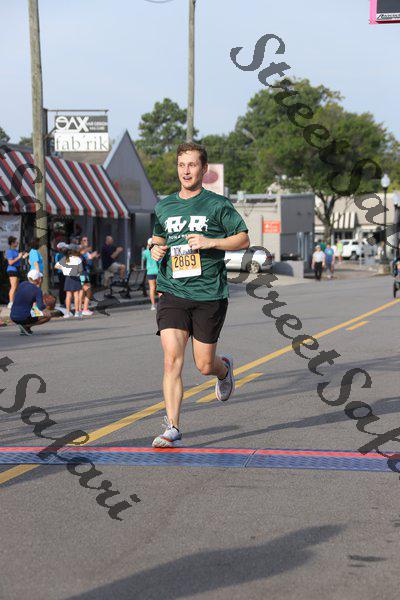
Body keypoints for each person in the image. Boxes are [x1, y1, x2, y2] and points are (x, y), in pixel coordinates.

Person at [150, 141, 249, 448]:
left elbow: (243, 238)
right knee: (171, 360)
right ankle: (173, 427)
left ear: (204, 169)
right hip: (172, 290)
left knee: (204, 365)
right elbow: (157, 239)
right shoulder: (164, 207)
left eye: (192, 165)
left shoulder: (217, 205)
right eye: (181, 165)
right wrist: (154, 249)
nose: (186, 171)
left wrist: (210, 242)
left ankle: (224, 369)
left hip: (209, 293)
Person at [10, 270, 51, 335]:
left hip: (13, 316)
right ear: (38, 279)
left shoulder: (22, 284)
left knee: (30, 311)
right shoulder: (37, 290)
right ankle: (26, 326)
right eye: (40, 278)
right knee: (48, 316)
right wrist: (46, 309)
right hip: (24, 317)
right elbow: (40, 306)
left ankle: (24, 327)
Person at [55, 245, 83, 318]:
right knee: (76, 295)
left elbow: (56, 265)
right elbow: (80, 270)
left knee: (68, 295)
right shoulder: (78, 259)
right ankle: (77, 312)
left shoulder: (66, 258)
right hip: (76, 277)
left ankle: (67, 312)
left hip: (68, 277)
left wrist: (64, 269)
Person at [6, 236, 28, 308]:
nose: (17, 243)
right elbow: (10, 262)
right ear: (12, 243)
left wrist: (23, 257)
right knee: (13, 286)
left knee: (17, 287)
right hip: (12, 270)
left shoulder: (16, 251)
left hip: (17, 270)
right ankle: (10, 302)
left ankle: (15, 302)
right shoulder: (10, 251)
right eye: (16, 242)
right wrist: (18, 257)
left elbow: (18, 260)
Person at [79, 235, 99, 316]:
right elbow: (82, 260)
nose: (86, 242)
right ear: (81, 242)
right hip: (82, 273)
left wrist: (93, 257)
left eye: (87, 240)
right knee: (87, 290)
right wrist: (90, 257)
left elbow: (89, 262)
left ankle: (80, 309)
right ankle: (84, 309)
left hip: (85, 272)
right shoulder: (81, 251)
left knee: (83, 291)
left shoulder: (87, 252)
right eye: (84, 240)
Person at [142, 237, 159, 311]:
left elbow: (143, 259)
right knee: (159, 288)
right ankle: (161, 304)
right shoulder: (157, 250)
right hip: (157, 271)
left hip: (150, 271)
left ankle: (153, 305)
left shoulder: (145, 252)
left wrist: (147, 249)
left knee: (152, 288)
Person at [54, 242, 68, 307]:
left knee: (66, 287)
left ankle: (66, 301)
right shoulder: (58, 255)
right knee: (62, 287)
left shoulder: (66, 254)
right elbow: (57, 265)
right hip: (61, 273)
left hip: (67, 273)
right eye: (64, 247)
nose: (66, 248)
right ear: (61, 248)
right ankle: (62, 302)